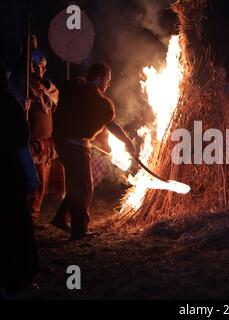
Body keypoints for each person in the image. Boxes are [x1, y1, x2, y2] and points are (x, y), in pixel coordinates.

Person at [51, 62, 136, 240]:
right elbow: (110, 123)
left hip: (64, 142)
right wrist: (127, 141)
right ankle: (79, 230)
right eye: (107, 80)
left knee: (78, 184)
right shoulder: (94, 98)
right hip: (75, 145)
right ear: (99, 79)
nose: (108, 84)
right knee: (84, 187)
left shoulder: (75, 90)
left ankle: (61, 218)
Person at [0, 61, 40, 292]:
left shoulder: (9, 104)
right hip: (8, 174)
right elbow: (19, 139)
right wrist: (23, 121)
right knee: (16, 224)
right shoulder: (7, 104)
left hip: (8, 174)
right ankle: (19, 274)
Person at [25, 50, 63, 224]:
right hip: (29, 145)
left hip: (44, 145)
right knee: (30, 185)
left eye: (44, 67)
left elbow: (57, 98)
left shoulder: (45, 86)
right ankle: (26, 221)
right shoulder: (23, 85)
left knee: (40, 186)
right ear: (31, 66)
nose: (43, 70)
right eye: (40, 67)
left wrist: (47, 87)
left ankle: (33, 218)